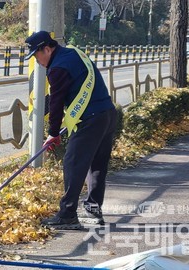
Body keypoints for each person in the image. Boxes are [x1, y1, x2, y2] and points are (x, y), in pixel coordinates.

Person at [25, 31, 117, 229]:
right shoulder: (75, 53)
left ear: (47, 49)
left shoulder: (57, 68)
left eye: (36, 55)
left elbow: (57, 103)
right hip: (107, 114)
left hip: (90, 119)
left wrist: (53, 133)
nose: (36, 60)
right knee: (97, 165)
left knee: (73, 163)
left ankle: (67, 213)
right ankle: (93, 210)